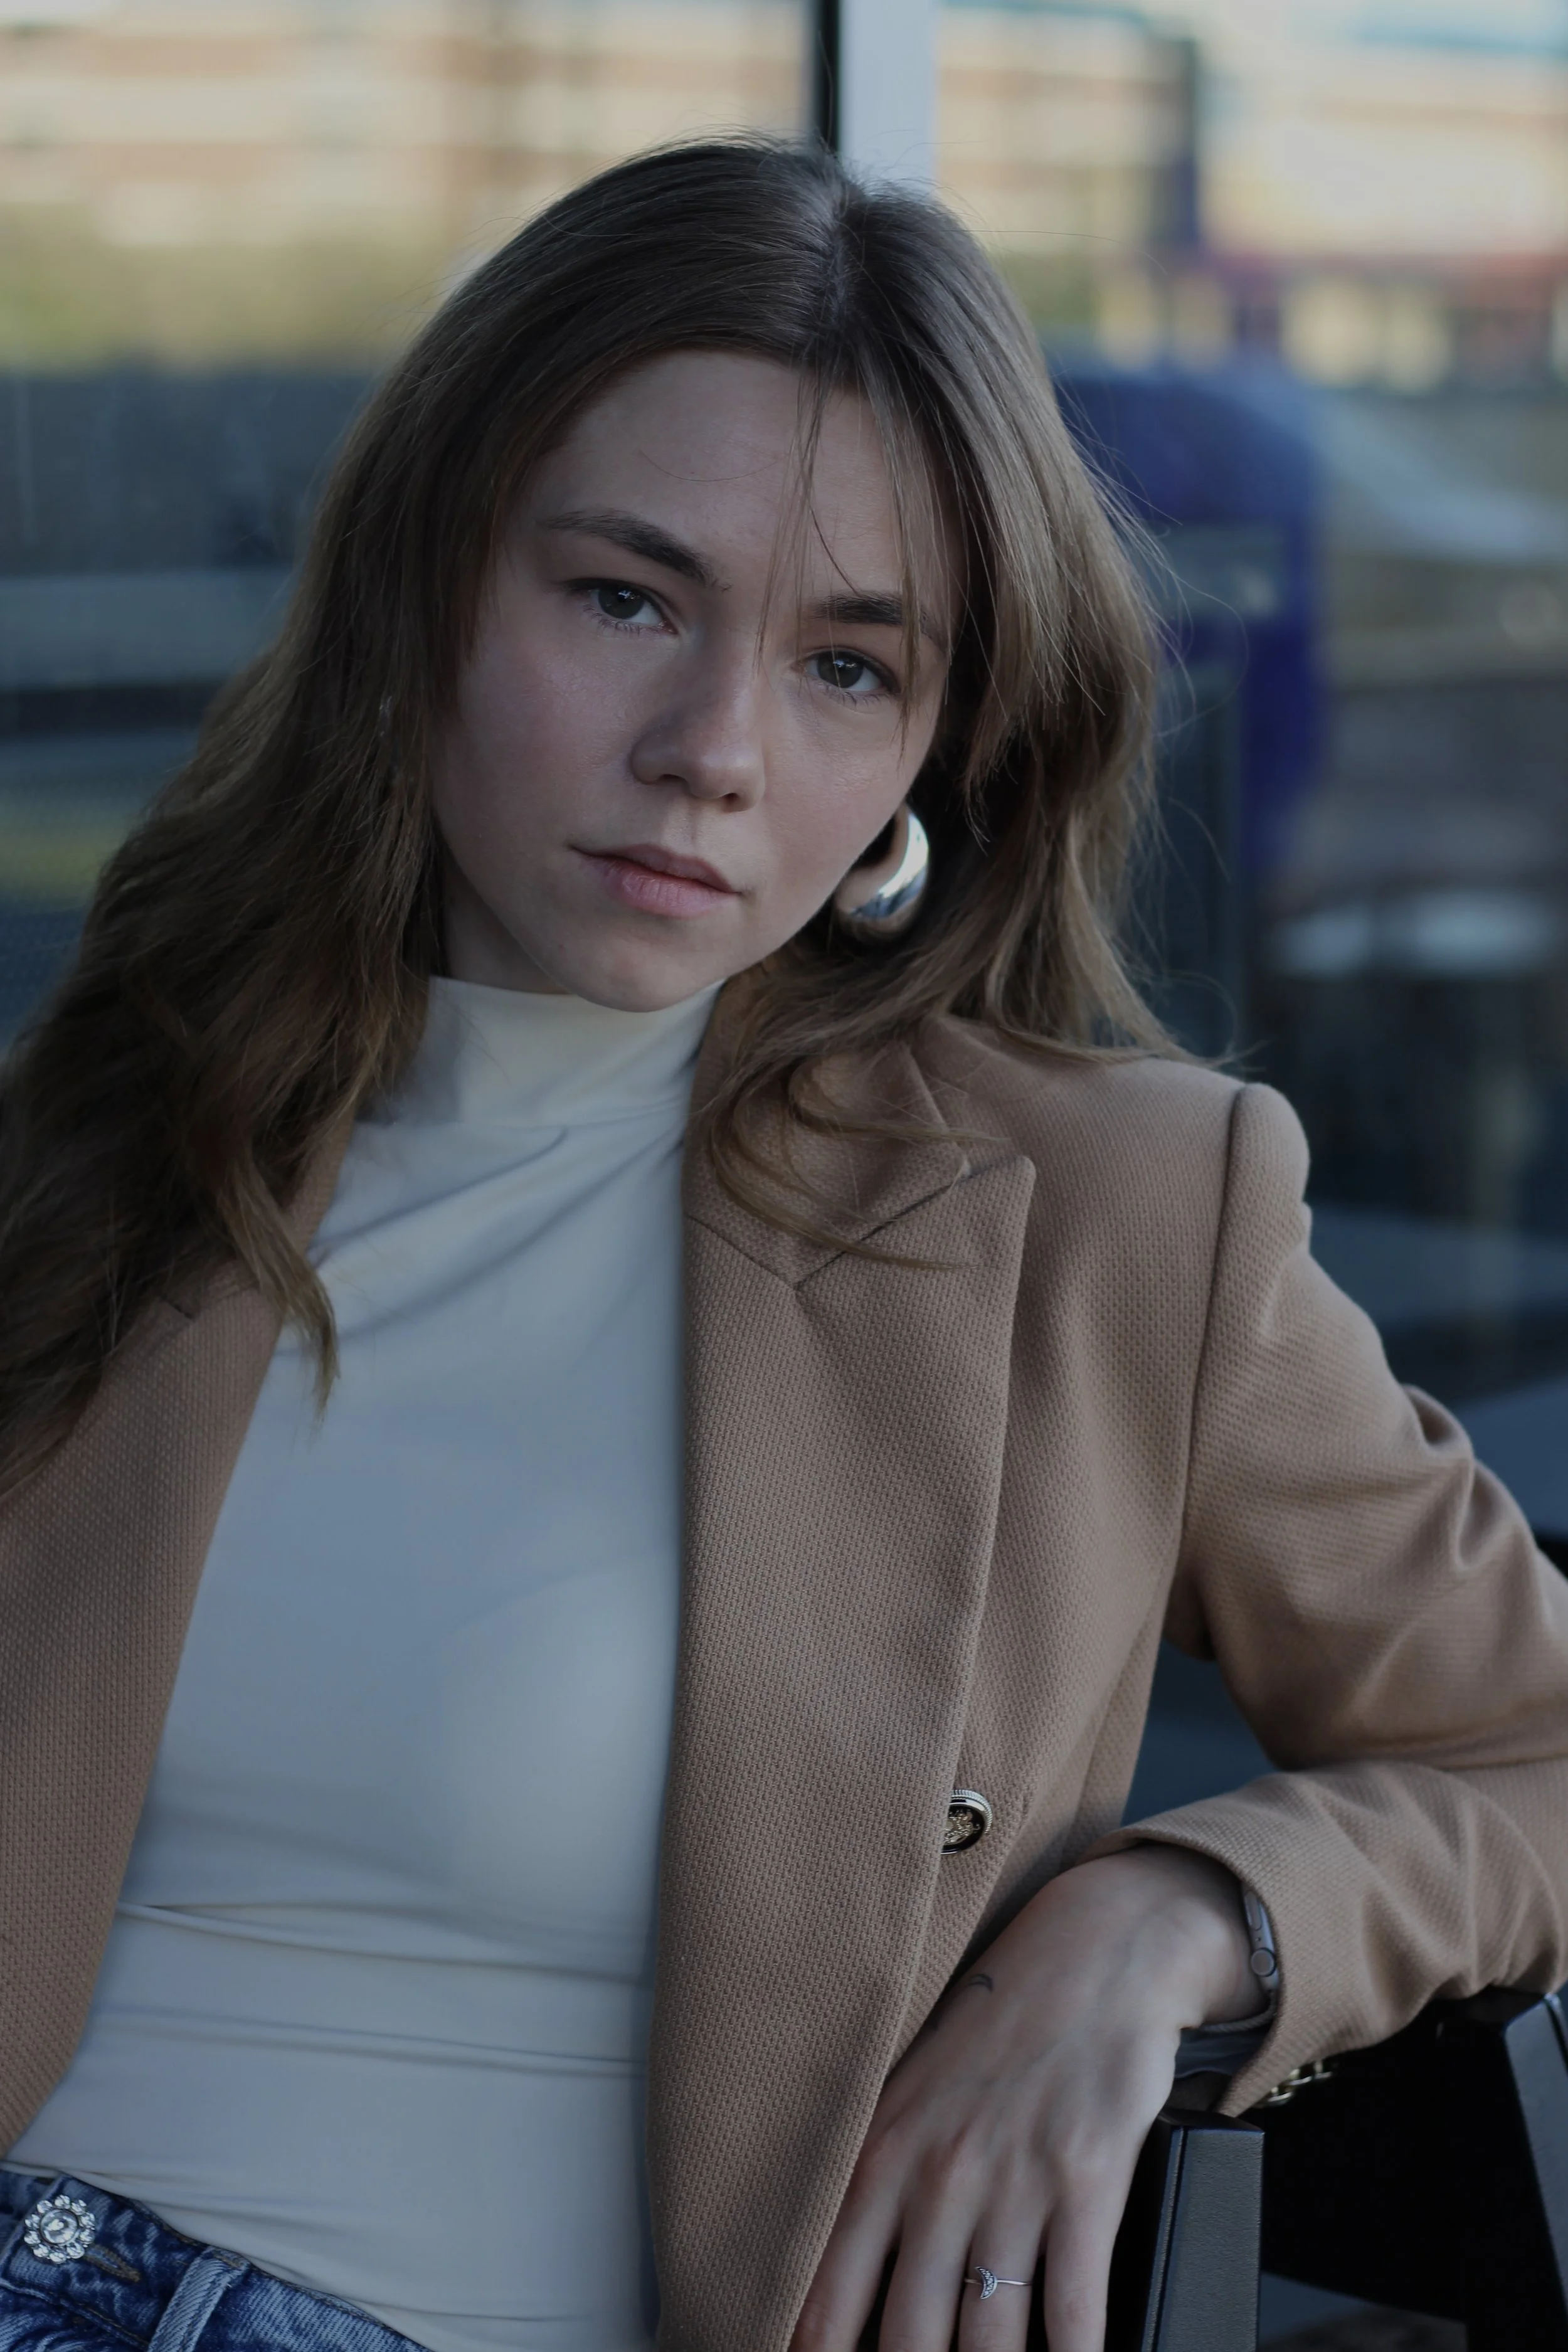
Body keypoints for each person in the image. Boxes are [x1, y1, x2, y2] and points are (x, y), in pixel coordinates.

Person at [0, 135, 1564, 2352]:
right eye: (625, 598)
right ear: (425, 588)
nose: (711, 752)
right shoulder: (136, 1107)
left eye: (847, 664)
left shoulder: (1118, 1216)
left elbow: (1542, 1756)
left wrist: (1186, 1909)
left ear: (939, 741)